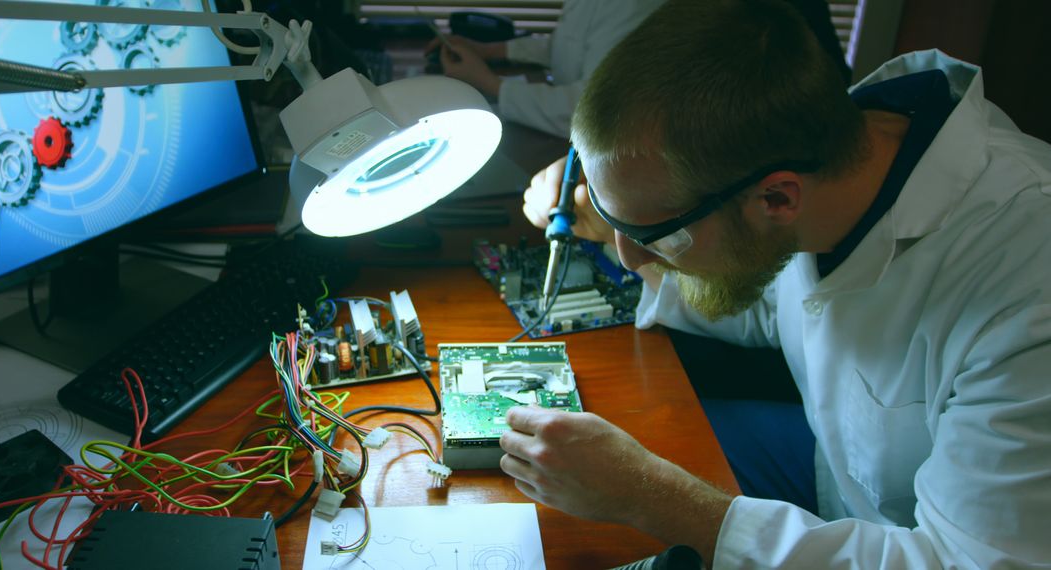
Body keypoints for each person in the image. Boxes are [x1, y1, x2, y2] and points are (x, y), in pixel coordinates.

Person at [509, 0, 1051, 567]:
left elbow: (963, 562)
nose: (629, 257)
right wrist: (604, 212)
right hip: (831, 469)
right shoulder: (817, 161)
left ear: (776, 198)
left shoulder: (1024, 288)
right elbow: (773, 301)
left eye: (653, 235)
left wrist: (650, 495)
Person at [428, 0, 666, 138]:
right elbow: (574, 43)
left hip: (610, 148)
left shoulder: (634, 6)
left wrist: (489, 83)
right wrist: (491, 50)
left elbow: (590, 110)